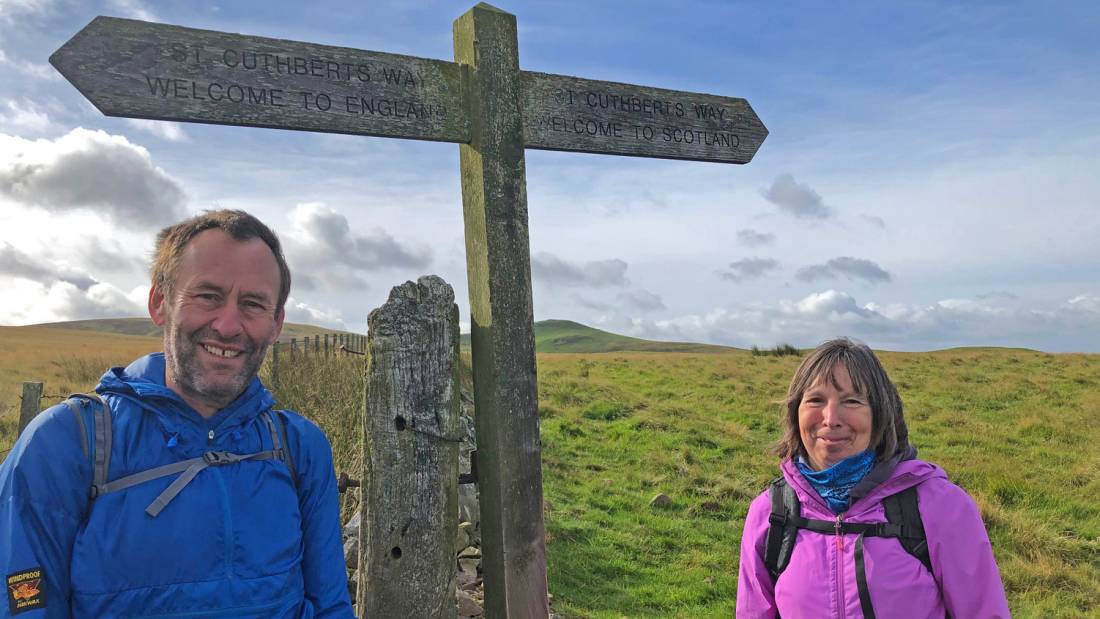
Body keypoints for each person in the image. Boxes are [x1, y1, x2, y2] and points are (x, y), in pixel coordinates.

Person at [0, 210, 354, 618]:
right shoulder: (66, 442)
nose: (227, 325)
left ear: (276, 324)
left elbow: (331, 606)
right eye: (208, 296)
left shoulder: (298, 447)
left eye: (253, 304)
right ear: (159, 303)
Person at [736, 338, 1009, 618]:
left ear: (880, 414)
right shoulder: (771, 513)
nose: (831, 419)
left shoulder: (942, 507)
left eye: (851, 401)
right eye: (816, 400)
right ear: (796, 412)